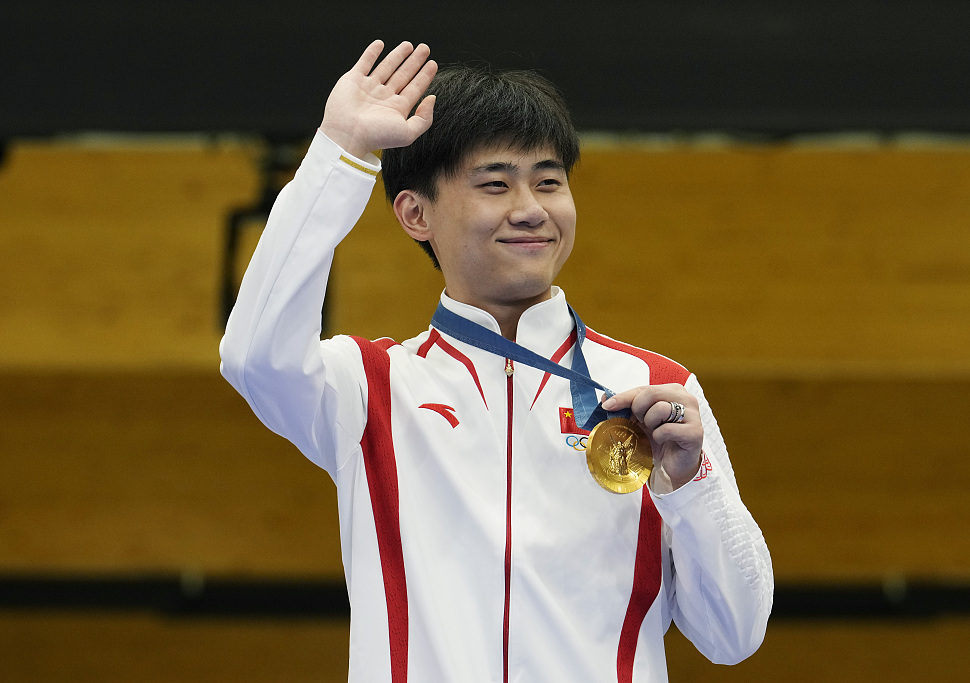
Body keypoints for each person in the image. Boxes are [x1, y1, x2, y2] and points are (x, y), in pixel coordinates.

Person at [220, 40, 772, 682]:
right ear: (415, 213)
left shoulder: (657, 391)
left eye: (548, 181)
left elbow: (734, 636)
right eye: (494, 183)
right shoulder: (370, 391)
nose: (531, 209)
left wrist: (692, 486)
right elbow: (253, 354)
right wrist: (339, 155)